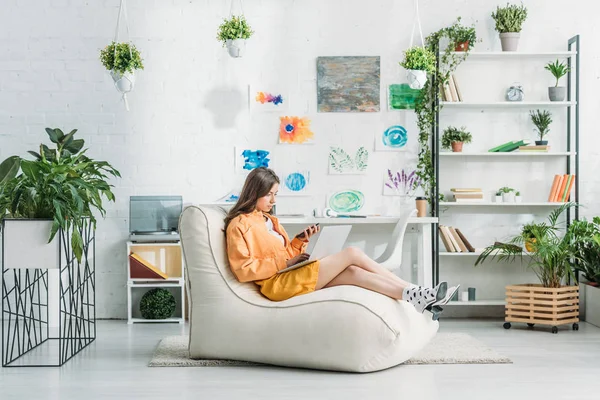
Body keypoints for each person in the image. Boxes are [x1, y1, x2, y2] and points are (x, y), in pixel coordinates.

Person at [224, 167, 458, 319]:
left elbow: (285, 255)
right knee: (352, 253)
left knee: (354, 273)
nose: (274, 200)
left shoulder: (269, 220)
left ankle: (418, 300)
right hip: (276, 285)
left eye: (276, 194)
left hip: (289, 275)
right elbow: (244, 270)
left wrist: (298, 243)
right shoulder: (239, 225)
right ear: (254, 192)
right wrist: (286, 261)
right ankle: (418, 290)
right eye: (270, 195)